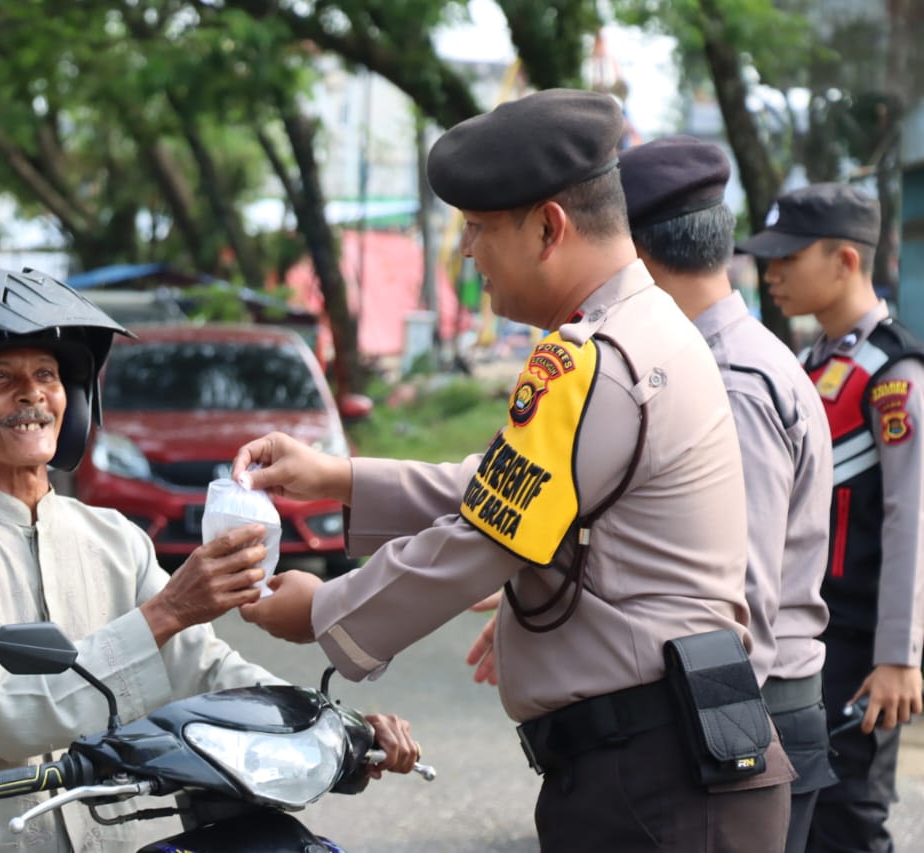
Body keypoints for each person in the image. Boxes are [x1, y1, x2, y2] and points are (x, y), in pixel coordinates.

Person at [232, 89, 796, 853]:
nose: (467, 250)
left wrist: (324, 610)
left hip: (658, 779)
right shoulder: (638, 334)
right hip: (664, 765)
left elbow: (487, 535)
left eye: (479, 227)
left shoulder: (601, 360)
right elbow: (503, 487)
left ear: (549, 227)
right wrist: (340, 478)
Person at [0, 265, 417, 852]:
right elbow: (0, 711)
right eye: (1, 377)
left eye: (46, 374)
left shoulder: (111, 537)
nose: (32, 393)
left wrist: (331, 725)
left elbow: (200, 669)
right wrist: (168, 610)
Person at [615, 135, 836, 852]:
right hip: (747, 710)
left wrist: (718, 751)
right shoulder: (741, 358)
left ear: (639, 259)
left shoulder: (729, 382)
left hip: (743, 715)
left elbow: (741, 594)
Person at [739, 183, 924, 852]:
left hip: (860, 642)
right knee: (802, 812)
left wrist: (898, 655)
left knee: (850, 817)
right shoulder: (809, 364)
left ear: (846, 259)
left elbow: (912, 518)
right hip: (807, 632)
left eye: (788, 256)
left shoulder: (894, 372)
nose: (772, 272)